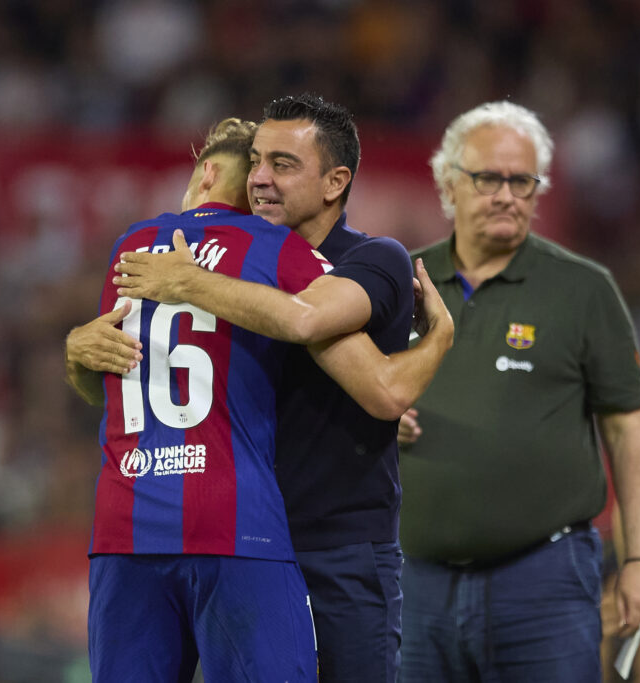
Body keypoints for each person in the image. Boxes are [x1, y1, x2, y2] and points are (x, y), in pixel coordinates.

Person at [103, 93, 449, 682]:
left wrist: (440, 340)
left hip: (338, 547)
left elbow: (309, 322)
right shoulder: (242, 258)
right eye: (257, 161)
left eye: (283, 165)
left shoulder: (374, 259)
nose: (260, 179)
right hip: (242, 541)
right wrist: (81, 345)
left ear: (335, 181)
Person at [396, 100, 640, 681]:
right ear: (448, 181)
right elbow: (341, 406)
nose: (506, 194)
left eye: (522, 180)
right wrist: (374, 416)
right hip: (412, 578)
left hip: (544, 578)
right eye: (488, 178)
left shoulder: (583, 289)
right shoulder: (398, 284)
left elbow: (631, 433)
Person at [72, 117, 325, 682]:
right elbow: (347, 312)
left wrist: (72, 350)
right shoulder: (276, 247)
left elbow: (109, 373)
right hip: (234, 521)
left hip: (125, 521)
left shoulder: (133, 247)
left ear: (206, 172)